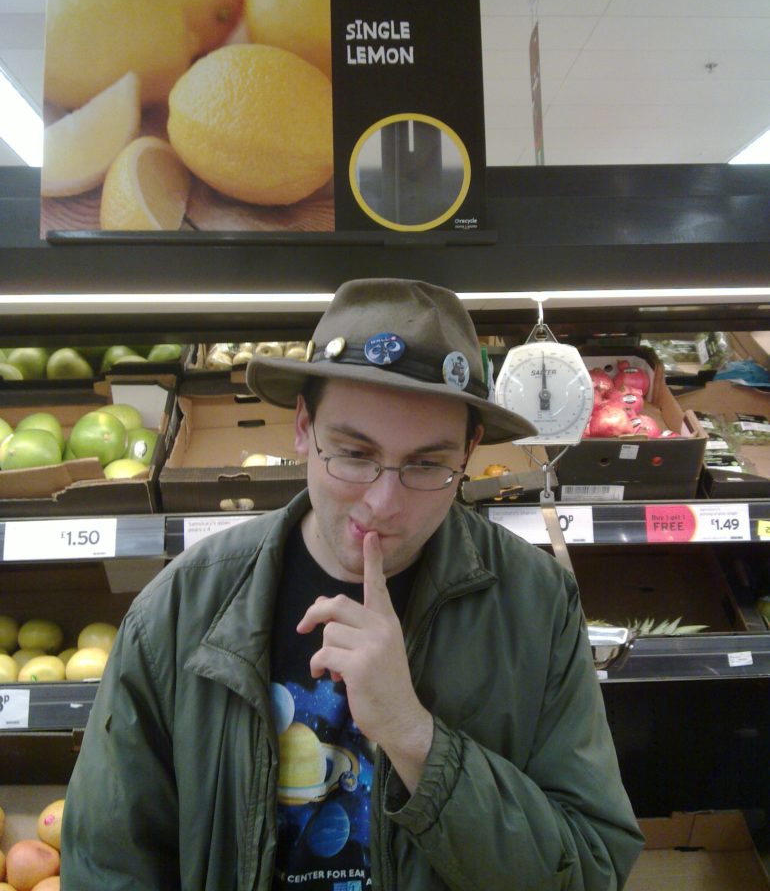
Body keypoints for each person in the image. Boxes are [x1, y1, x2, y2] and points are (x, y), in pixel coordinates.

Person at [61, 278, 644, 890]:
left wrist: (415, 735)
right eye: (354, 453)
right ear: (303, 429)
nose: (383, 502)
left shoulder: (535, 605)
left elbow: (591, 868)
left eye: (427, 464)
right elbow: (109, 864)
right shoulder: (179, 610)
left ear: (470, 450)